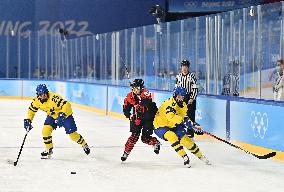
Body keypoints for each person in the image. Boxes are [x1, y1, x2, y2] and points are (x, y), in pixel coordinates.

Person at [23, 84, 90, 159]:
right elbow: (31, 111)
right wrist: (29, 119)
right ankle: (49, 149)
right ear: (38, 95)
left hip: (65, 115)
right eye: (42, 94)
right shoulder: (36, 101)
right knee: (45, 131)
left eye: (45, 93)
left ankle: (84, 144)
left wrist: (62, 115)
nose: (44, 95)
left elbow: (67, 105)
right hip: (52, 116)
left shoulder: (54, 98)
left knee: (72, 135)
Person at [153, 86, 210, 167]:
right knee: (172, 136)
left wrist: (193, 126)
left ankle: (200, 156)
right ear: (175, 95)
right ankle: (184, 157)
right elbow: (171, 117)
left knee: (185, 140)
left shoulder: (183, 105)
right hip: (160, 125)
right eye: (179, 96)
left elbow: (185, 117)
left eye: (183, 96)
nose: (181, 98)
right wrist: (184, 122)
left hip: (173, 125)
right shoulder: (170, 104)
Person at [121, 79, 161, 161]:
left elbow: (147, 103)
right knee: (134, 136)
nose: (135, 90)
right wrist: (130, 116)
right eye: (134, 88)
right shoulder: (130, 96)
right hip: (137, 118)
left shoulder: (146, 93)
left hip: (148, 118)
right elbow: (126, 109)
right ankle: (126, 152)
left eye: (137, 88)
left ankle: (155, 143)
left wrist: (137, 101)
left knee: (145, 138)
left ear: (141, 88)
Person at [175, 59, 200, 138]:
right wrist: (176, 97)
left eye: (186, 67)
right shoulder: (178, 76)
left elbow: (195, 89)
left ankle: (190, 133)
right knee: (180, 115)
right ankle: (180, 131)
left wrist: (192, 98)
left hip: (190, 97)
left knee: (190, 115)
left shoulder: (192, 76)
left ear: (188, 67)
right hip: (181, 97)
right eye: (183, 66)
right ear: (181, 67)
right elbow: (176, 88)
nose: (184, 68)